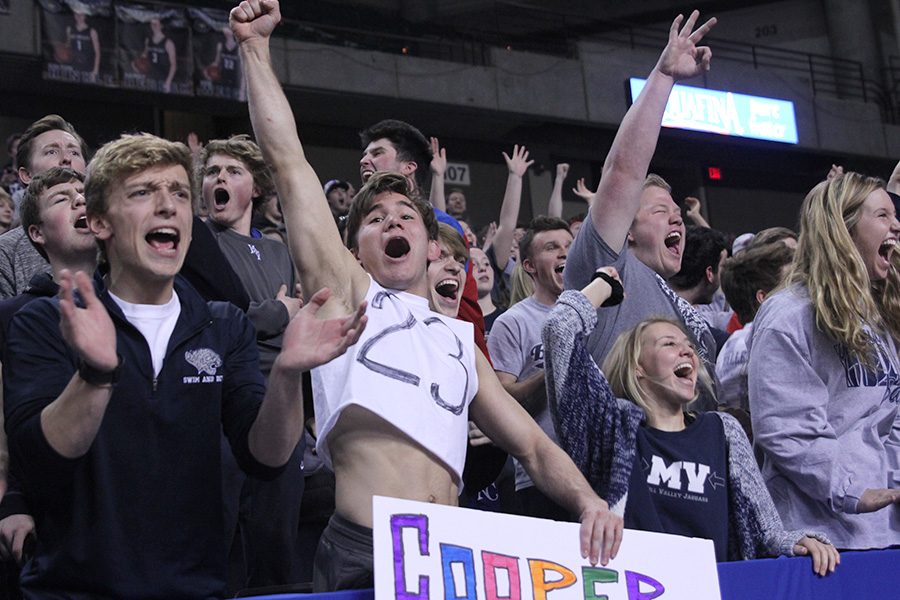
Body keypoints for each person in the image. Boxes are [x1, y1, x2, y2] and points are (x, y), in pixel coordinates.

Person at [233, 0, 622, 591]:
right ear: (352, 248)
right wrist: (255, 50)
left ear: (432, 243)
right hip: (364, 550)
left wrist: (590, 502)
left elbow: (535, 449)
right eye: (375, 219)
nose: (393, 223)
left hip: (450, 555)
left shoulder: (458, 338)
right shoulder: (345, 294)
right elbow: (287, 164)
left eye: (404, 216)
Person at [2, 132, 366, 598]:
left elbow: (266, 457)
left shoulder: (222, 325)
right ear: (99, 222)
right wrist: (94, 375)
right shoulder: (45, 320)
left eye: (177, 193)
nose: (168, 205)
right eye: (141, 193)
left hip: (196, 587)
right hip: (74, 588)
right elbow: (42, 459)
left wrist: (287, 374)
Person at [543, 266, 839, 574]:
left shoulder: (723, 430)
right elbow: (559, 330)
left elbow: (765, 529)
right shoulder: (611, 426)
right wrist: (604, 285)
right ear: (637, 367)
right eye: (669, 344)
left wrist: (797, 542)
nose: (687, 351)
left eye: (688, 345)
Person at [563, 11, 718, 411]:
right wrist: (664, 76)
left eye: (677, 214)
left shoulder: (672, 297)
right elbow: (624, 173)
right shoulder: (606, 265)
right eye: (659, 211)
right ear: (625, 230)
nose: (676, 219)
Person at [749, 171, 900, 550]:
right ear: (843, 228)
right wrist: (854, 490)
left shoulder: (876, 317)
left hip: (883, 531)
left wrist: (893, 488)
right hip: (822, 538)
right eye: (883, 216)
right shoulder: (788, 314)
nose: (896, 225)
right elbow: (786, 428)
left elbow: (891, 419)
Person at [488, 216, 573, 520]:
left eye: (569, 246)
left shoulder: (600, 314)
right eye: (552, 248)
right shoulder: (513, 322)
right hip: (544, 476)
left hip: (604, 469)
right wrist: (552, 368)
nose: (564, 253)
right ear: (529, 266)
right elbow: (503, 400)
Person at [0, 115, 89, 299]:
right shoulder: (6, 252)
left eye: (74, 152)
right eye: (51, 152)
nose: (66, 159)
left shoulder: (115, 237)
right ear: (26, 175)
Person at [716, 241, 794, 415]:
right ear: (764, 298)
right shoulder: (773, 341)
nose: (803, 291)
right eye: (792, 284)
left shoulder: (733, 344)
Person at [142, 18, 176, 93]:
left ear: (161, 26)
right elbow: (144, 56)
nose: (153, 26)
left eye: (156, 24)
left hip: (163, 78)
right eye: (152, 24)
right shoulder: (148, 40)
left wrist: (168, 82)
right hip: (150, 78)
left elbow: (173, 64)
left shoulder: (168, 42)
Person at [66, 11, 100, 83]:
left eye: (81, 15)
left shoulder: (92, 31)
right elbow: (68, 46)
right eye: (77, 14)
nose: (79, 17)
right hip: (74, 66)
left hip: (88, 66)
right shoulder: (70, 29)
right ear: (74, 15)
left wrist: (95, 70)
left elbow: (97, 52)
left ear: (85, 16)